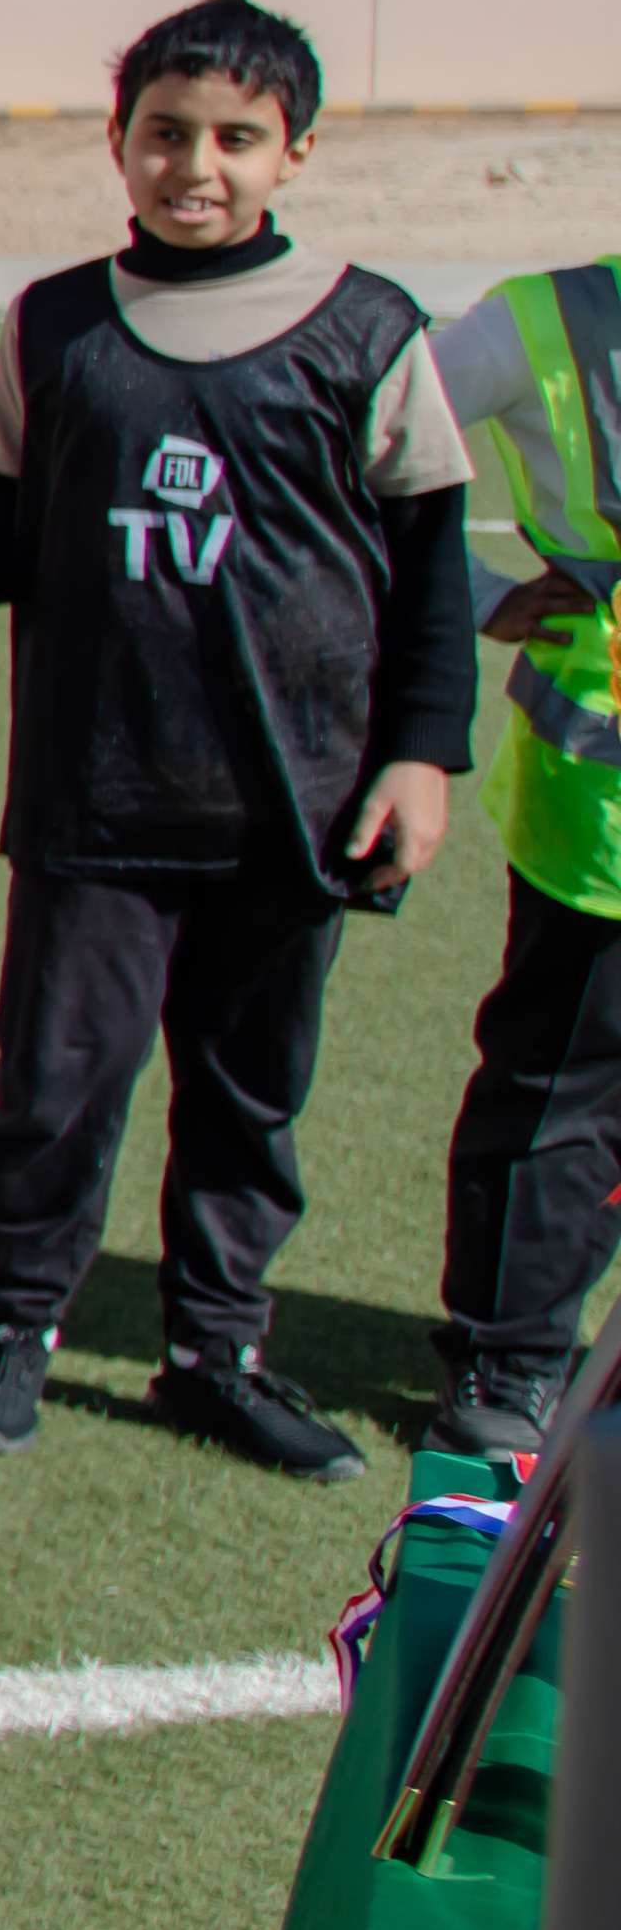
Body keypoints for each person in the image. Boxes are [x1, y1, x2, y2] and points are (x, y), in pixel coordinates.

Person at [0, 0, 475, 1474]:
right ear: (118, 145)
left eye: (238, 139)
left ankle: (216, 1349)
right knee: (56, 1082)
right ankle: (11, 1329)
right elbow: (18, 525)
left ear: (295, 151)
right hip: (95, 798)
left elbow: (432, 577)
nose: (199, 165)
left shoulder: (368, 326)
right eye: (166, 133)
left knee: (250, 1101)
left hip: (292, 806)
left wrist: (420, 755)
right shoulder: (56, 323)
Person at [416, 254, 621, 1453]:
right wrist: (479, 589)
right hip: (603, 815)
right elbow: (363, 441)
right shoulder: (552, 320)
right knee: (563, 1092)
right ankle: (511, 1356)